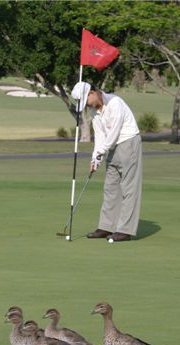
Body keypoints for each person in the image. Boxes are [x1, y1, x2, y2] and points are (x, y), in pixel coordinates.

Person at [71, 82, 142, 242]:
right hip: (111, 148)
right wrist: (96, 158)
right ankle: (106, 227)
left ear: (93, 93)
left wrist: (102, 151)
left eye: (86, 101)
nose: (87, 105)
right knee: (110, 187)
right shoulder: (94, 112)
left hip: (128, 143)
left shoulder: (115, 103)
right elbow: (101, 136)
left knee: (129, 188)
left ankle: (125, 230)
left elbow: (115, 131)